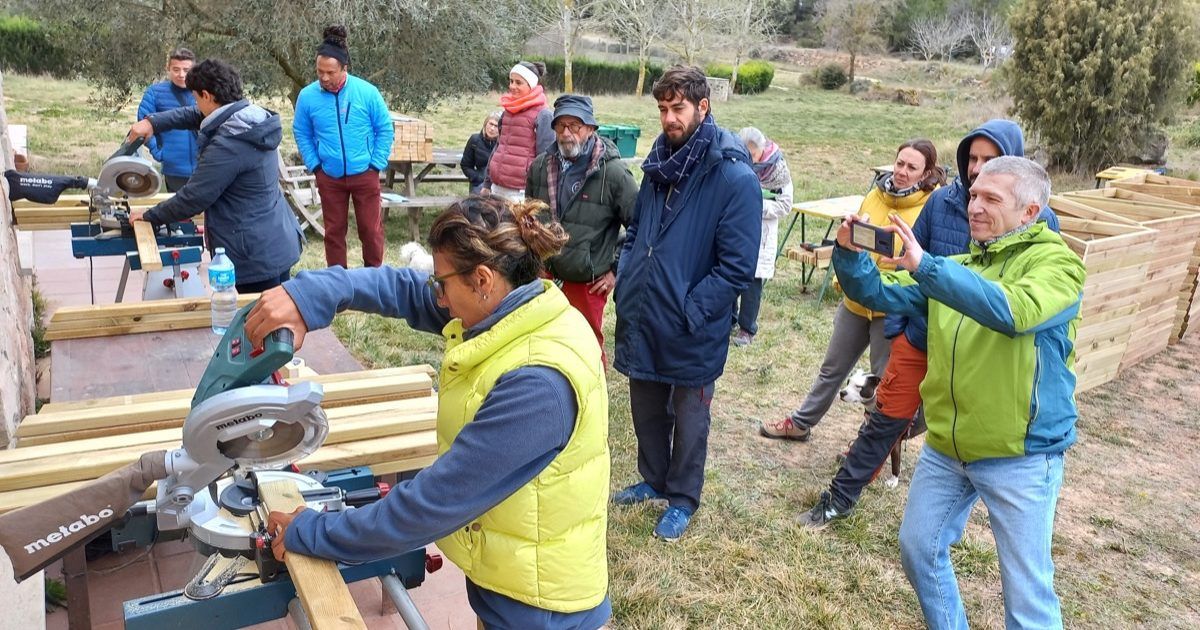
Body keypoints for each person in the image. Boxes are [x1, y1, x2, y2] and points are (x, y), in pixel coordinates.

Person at [252, 196, 611, 629]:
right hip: (512, 583)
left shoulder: (537, 385)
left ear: (482, 278)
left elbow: (428, 506)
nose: (437, 297)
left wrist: (311, 532)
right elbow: (405, 289)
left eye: (442, 283)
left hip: (541, 609)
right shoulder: (519, 307)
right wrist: (314, 292)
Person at [831, 156, 1085, 630]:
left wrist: (928, 267)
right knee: (918, 549)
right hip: (948, 447)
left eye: (992, 198)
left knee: (1026, 596)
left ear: (1030, 212)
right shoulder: (955, 265)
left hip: (1019, 453)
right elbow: (879, 291)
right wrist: (850, 252)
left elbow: (1014, 311)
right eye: (973, 195)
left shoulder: (1058, 264)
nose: (975, 207)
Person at [798, 119, 1063, 529]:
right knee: (884, 416)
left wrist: (926, 273)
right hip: (923, 331)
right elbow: (907, 266)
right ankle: (840, 497)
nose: (976, 168)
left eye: (989, 160)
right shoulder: (941, 203)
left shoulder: (1043, 232)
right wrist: (861, 268)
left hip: (981, 352)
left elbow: (1016, 306)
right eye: (972, 159)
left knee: (947, 433)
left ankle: (941, 514)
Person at [609, 66, 761, 541]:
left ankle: (681, 497)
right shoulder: (658, 165)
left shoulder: (734, 177)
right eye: (662, 109)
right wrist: (627, 275)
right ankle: (653, 479)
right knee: (646, 408)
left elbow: (737, 267)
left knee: (691, 419)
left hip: (693, 324)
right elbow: (636, 231)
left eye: (678, 109)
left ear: (703, 107)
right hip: (644, 313)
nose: (669, 119)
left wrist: (690, 310)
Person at [760, 139, 943, 442]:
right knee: (832, 369)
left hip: (892, 306)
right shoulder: (875, 194)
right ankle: (801, 423)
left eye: (912, 167)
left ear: (926, 174)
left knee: (882, 382)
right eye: (900, 163)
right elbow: (853, 239)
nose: (902, 171)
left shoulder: (931, 207)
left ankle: (870, 445)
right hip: (857, 301)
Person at [126, 59, 302, 294]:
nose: (196, 105)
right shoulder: (248, 117)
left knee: (260, 321)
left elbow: (194, 198)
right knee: (279, 314)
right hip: (275, 237)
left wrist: (148, 216)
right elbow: (193, 115)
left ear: (207, 96)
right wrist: (152, 123)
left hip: (252, 252)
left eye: (197, 98)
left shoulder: (228, 144)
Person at [525, 94, 638, 359]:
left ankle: (591, 397)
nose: (566, 133)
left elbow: (640, 225)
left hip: (587, 283)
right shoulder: (540, 167)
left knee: (585, 348)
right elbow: (528, 216)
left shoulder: (614, 174)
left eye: (574, 126)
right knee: (546, 344)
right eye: (560, 126)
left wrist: (615, 270)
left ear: (590, 129)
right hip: (547, 276)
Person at [293, 24, 394, 269]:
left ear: (344, 68)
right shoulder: (307, 97)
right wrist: (315, 165)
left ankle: (374, 281)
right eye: (320, 72)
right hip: (329, 175)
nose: (324, 78)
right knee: (334, 232)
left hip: (365, 173)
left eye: (330, 72)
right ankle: (337, 284)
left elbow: (385, 129)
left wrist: (376, 164)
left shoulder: (367, 93)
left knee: (370, 231)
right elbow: (301, 132)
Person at [731, 127, 794, 347]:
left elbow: (785, 205)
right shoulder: (735, 161)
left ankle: (747, 329)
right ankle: (727, 319)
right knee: (728, 273)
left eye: (753, 155)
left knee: (752, 283)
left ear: (762, 149)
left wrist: (755, 205)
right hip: (735, 230)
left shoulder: (778, 170)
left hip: (761, 234)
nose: (749, 159)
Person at [482, 61, 554, 202]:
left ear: (531, 85)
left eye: (518, 82)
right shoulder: (507, 112)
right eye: (511, 81)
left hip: (520, 193)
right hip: (496, 187)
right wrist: (487, 183)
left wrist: (538, 195)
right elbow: (499, 147)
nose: (512, 86)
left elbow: (546, 159)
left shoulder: (543, 115)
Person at [136, 47, 198, 192]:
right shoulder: (155, 93)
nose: (181, 75)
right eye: (176, 69)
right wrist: (158, 151)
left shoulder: (204, 92)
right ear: (168, 69)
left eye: (186, 70)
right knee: (179, 213)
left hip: (206, 169)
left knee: (208, 213)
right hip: (174, 170)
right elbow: (142, 124)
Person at [461, 111, 500, 194]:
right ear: (485, 124)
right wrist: (476, 178)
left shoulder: (503, 144)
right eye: (490, 124)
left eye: (496, 126)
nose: (492, 128)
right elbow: (465, 165)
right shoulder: (475, 140)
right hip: (479, 182)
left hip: (498, 184)